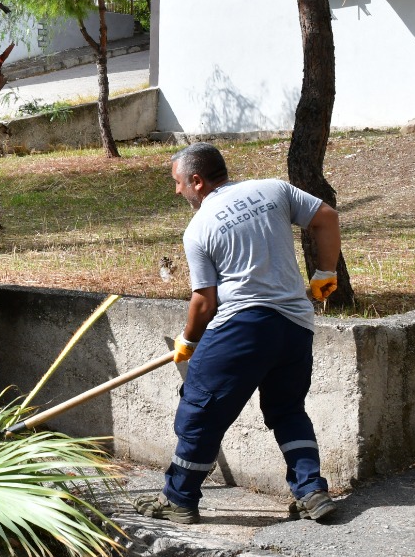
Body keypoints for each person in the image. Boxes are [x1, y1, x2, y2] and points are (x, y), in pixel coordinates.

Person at [134, 142, 342, 526]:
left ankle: (179, 499)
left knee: (199, 410)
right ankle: (311, 490)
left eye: (178, 183)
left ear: (196, 180)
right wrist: (325, 272)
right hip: (296, 325)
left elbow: (204, 302)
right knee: (287, 410)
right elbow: (326, 217)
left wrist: (189, 340)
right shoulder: (273, 188)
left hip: (241, 328)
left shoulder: (198, 229)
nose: (177, 190)